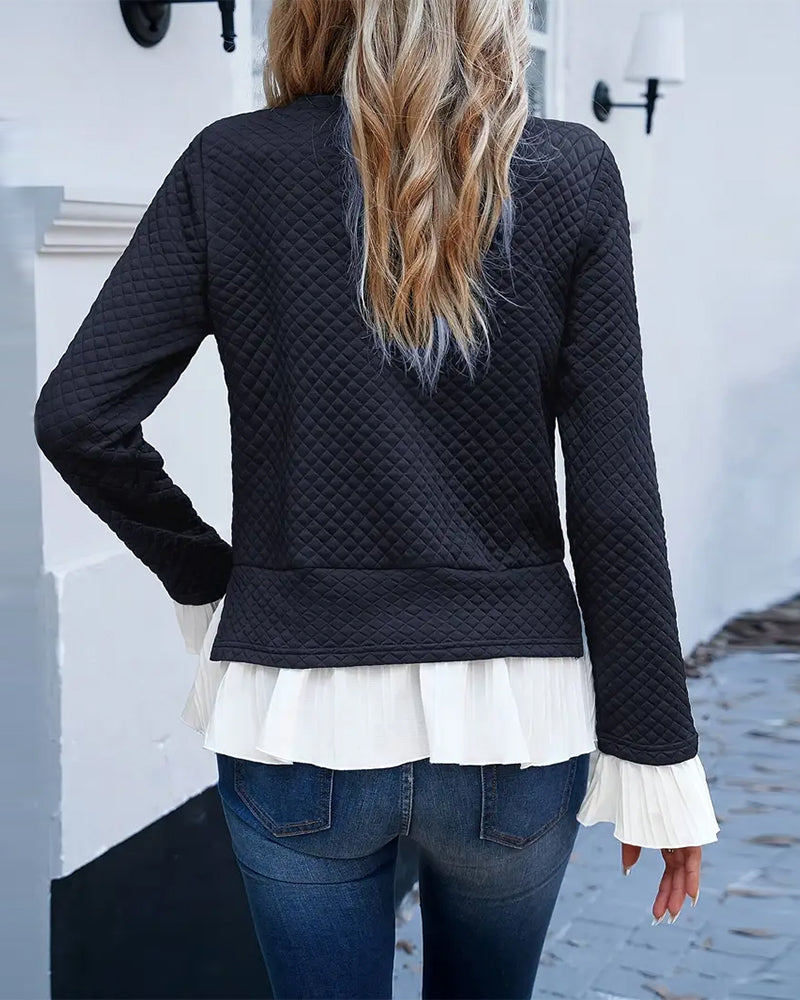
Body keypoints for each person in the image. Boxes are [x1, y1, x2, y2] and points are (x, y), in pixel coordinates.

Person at [33, 1, 720, 996]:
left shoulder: (231, 167)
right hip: (514, 725)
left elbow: (78, 417)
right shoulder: (567, 173)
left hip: (294, 718)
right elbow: (614, 495)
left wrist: (211, 579)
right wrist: (657, 756)